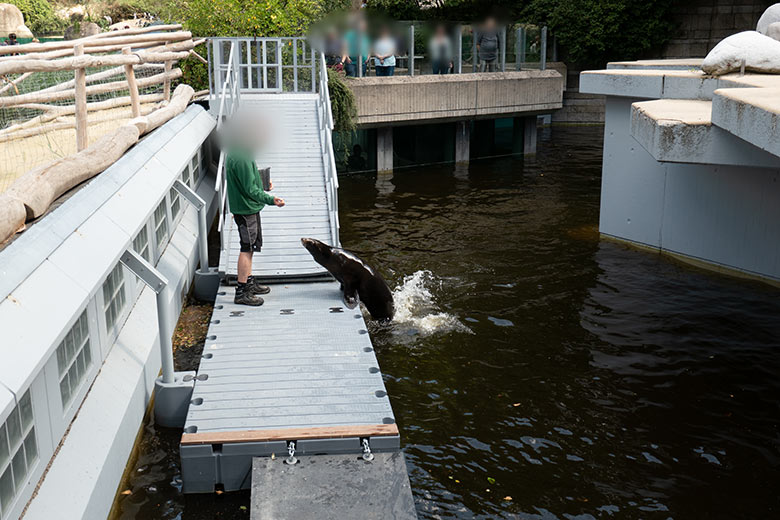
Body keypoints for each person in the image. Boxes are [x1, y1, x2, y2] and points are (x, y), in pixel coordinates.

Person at [224, 117, 286, 306]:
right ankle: (241, 291)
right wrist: (271, 199)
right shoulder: (241, 156)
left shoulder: (239, 151)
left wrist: (263, 182)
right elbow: (250, 189)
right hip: (246, 209)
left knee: (251, 247)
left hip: (247, 207)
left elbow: (248, 181)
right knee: (247, 248)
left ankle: (249, 282)